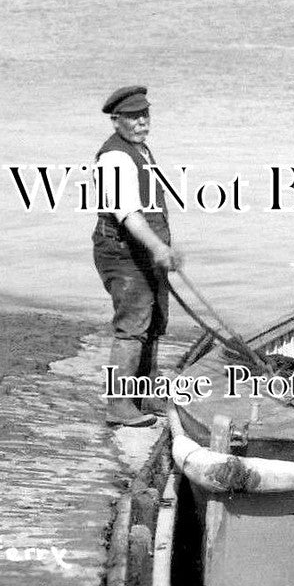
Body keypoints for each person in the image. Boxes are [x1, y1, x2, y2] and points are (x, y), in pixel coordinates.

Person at [92, 85, 183, 427]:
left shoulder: (140, 149)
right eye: (132, 117)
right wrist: (159, 247)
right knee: (133, 326)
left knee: (155, 320)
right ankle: (118, 405)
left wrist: (160, 248)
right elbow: (128, 214)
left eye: (145, 114)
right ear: (116, 122)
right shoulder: (115, 158)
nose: (141, 122)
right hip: (122, 251)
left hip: (144, 251)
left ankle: (146, 394)